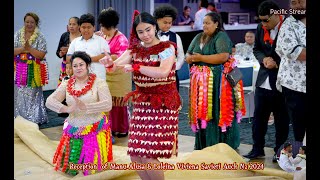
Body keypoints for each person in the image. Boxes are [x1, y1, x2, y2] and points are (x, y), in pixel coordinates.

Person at [99, 11, 181, 180]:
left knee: (148, 154)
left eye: (148, 30)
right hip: (143, 103)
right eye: (141, 32)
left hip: (163, 104)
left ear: (155, 27)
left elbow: (164, 71)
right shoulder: (134, 49)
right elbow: (116, 66)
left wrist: (137, 68)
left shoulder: (167, 48)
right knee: (136, 154)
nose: (145, 35)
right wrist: (109, 63)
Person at [45, 51, 113, 176]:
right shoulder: (67, 83)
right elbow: (49, 101)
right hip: (73, 129)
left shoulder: (99, 82)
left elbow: (108, 104)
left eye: (81, 65)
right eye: (75, 66)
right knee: (71, 169)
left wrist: (86, 107)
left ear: (87, 65)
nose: (78, 68)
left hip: (93, 128)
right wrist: (66, 109)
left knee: (92, 170)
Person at [185, 12, 246, 150]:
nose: (204, 25)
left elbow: (223, 57)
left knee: (216, 110)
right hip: (201, 82)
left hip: (218, 82)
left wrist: (199, 58)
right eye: (204, 23)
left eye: (207, 23)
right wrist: (189, 58)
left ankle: (222, 144)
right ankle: (205, 144)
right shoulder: (199, 36)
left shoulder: (221, 36)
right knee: (203, 111)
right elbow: (189, 52)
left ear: (216, 23)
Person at [243, 0, 290, 163]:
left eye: (266, 20)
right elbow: (257, 49)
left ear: (276, 15)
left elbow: (296, 53)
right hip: (263, 80)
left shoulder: (289, 27)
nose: (263, 23)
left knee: (282, 118)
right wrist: (264, 60)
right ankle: (257, 149)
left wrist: (277, 63)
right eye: (261, 20)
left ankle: (279, 151)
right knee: (258, 118)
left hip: (282, 81)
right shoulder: (260, 27)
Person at [275, 0, 306, 144]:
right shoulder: (288, 25)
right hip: (294, 85)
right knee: (300, 126)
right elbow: (296, 53)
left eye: (301, 2)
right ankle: (302, 159)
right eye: (294, 2)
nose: (298, 6)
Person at [98, 7, 131, 138]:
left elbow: (121, 56)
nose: (100, 28)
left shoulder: (121, 39)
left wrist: (107, 57)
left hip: (119, 75)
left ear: (108, 25)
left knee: (119, 104)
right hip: (106, 74)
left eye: (102, 25)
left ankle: (122, 128)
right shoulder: (103, 35)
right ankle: (109, 127)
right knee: (107, 102)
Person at [14, 12, 49, 125]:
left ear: (36, 23)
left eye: (32, 22)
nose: (29, 24)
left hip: (34, 69)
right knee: (19, 93)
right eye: (27, 22)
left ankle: (33, 118)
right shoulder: (17, 35)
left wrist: (28, 49)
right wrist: (24, 48)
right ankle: (19, 117)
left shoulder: (40, 36)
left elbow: (41, 55)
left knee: (32, 94)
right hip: (19, 68)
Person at [66, 13, 110, 80]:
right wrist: (83, 60)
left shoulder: (101, 41)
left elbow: (106, 56)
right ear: (80, 28)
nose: (86, 30)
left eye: (89, 27)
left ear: (94, 27)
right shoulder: (75, 42)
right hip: (79, 80)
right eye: (83, 27)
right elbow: (68, 58)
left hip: (98, 78)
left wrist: (88, 59)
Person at [153, 4, 185, 92]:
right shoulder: (151, 37)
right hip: (155, 74)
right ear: (157, 20)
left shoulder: (176, 37)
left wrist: (175, 68)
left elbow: (181, 56)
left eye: (169, 23)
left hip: (172, 75)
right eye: (165, 22)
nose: (167, 25)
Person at [56, 16, 81, 86]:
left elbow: (84, 52)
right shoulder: (64, 35)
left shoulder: (82, 36)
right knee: (64, 87)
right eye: (70, 24)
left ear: (79, 26)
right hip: (66, 66)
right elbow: (57, 52)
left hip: (79, 66)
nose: (71, 26)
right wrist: (61, 53)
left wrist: (69, 50)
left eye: (74, 24)